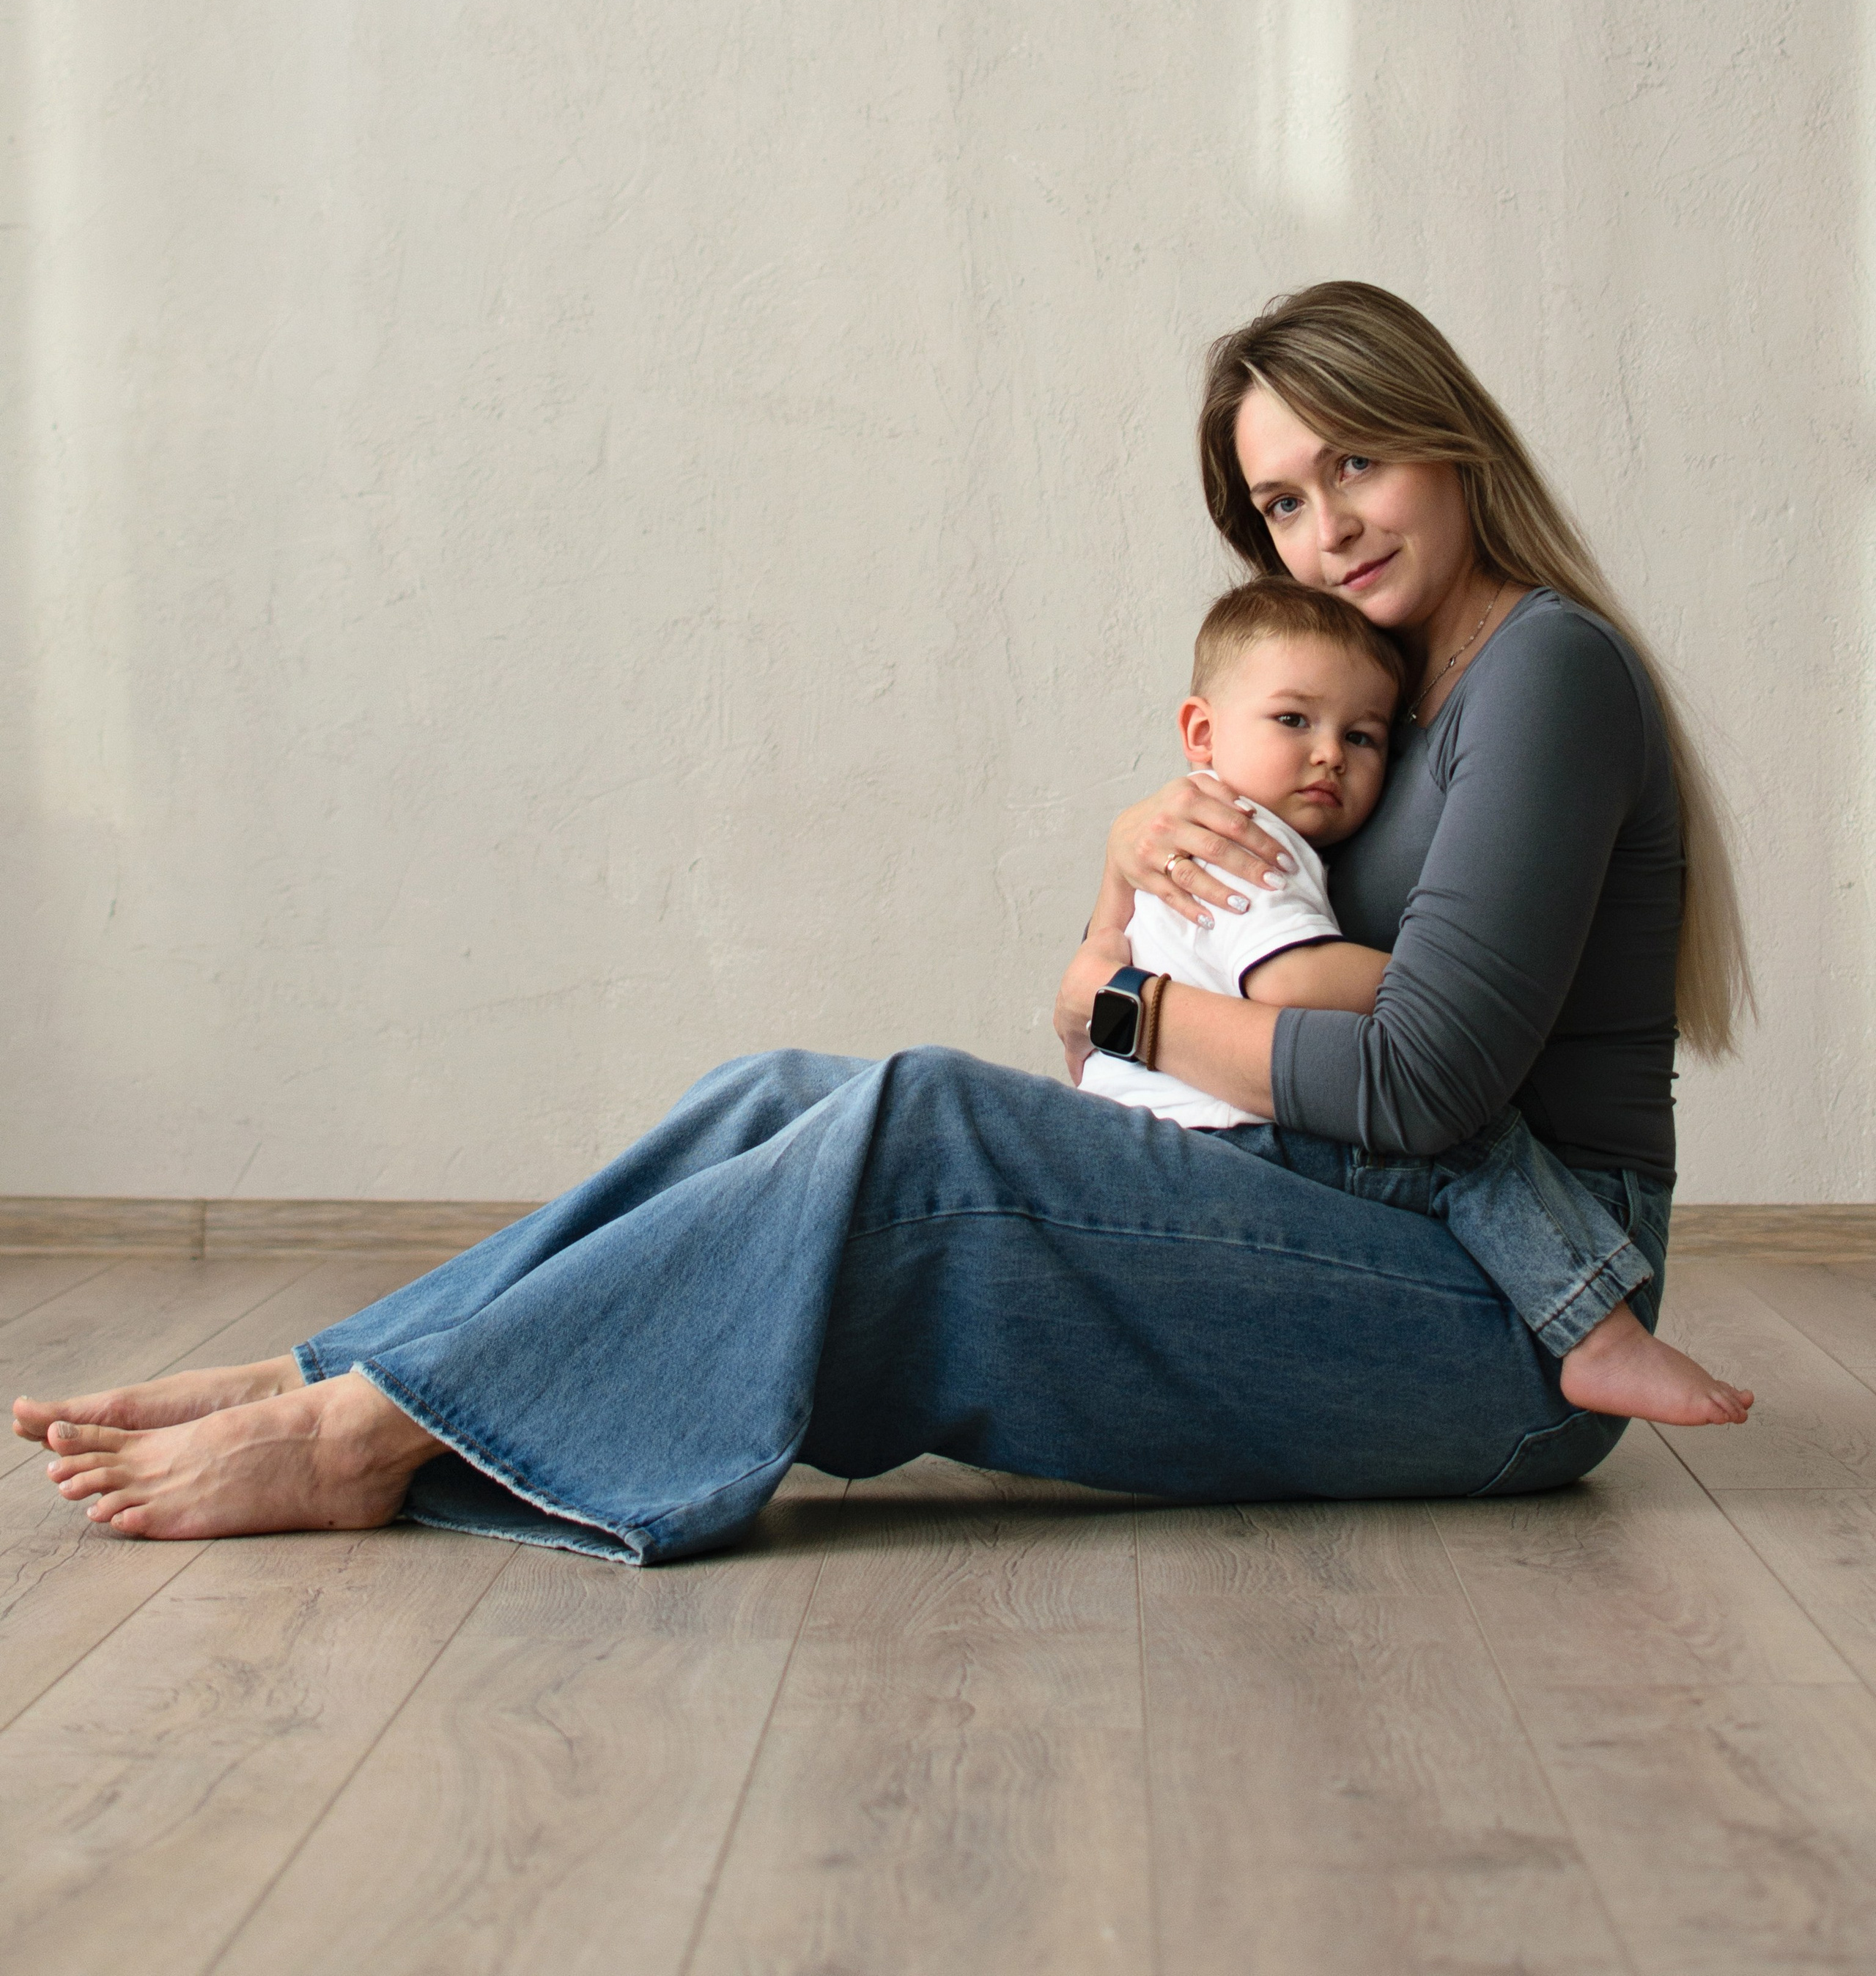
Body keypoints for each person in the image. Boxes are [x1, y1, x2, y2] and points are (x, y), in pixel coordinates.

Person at [14, 281, 1753, 1558]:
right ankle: (347, 1363)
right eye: (1277, 503)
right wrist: (1122, 867)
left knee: (920, 1119)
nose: (1321, 529)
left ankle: (360, 1430)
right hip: (1334, 1223)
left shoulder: (1545, 676)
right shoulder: (1351, 706)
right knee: (780, 1092)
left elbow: (1418, 1087)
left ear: (1446, 435)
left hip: (1508, 1326)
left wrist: (1127, 1005)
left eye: (1350, 463)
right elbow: (1100, 1003)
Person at [1077, 571, 1748, 1422]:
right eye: (1294, 720)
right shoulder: (1251, 841)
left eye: (1362, 736)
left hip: (1172, 1123)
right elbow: (1289, 980)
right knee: (1474, 1144)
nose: (1329, 753)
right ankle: (1596, 1333)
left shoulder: (1186, 828)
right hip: (1226, 1131)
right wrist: (1445, 981)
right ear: (1201, 731)